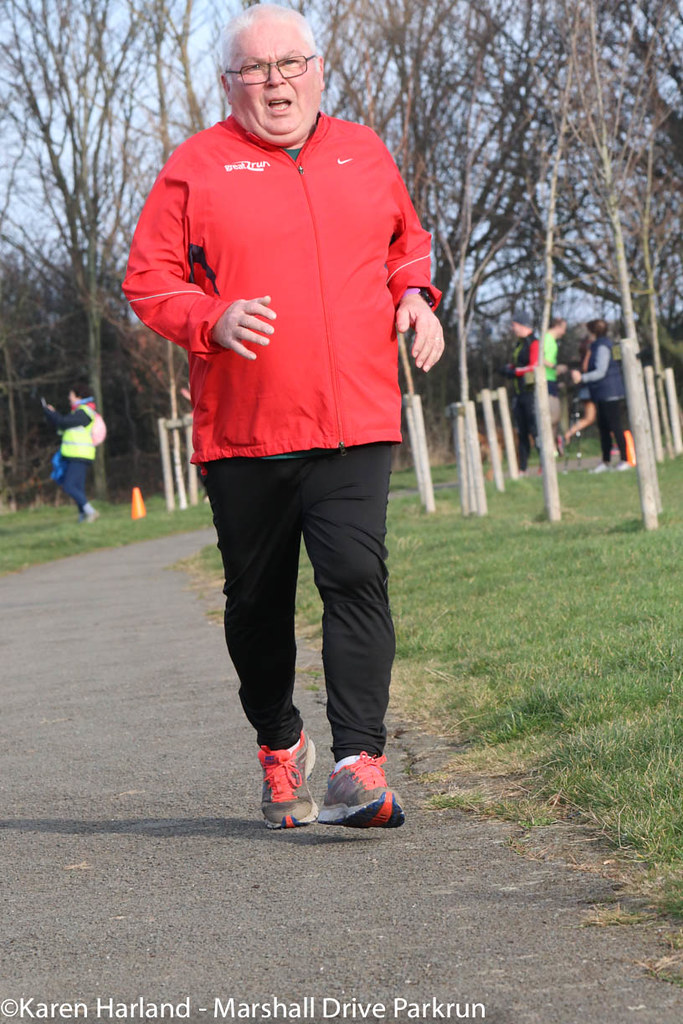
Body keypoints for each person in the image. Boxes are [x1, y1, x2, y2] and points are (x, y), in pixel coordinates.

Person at [122, 3, 444, 831]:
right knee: (256, 604)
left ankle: (356, 765)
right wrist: (211, 319)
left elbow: (406, 243)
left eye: (289, 64)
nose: (275, 83)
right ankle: (279, 742)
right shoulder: (194, 167)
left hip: (355, 422)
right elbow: (149, 282)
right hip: (246, 435)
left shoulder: (365, 153)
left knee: (354, 577)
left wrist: (416, 298)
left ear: (318, 68)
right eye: (255, 70)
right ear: (229, 83)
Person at [571, 319, 630, 472]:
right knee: (603, 428)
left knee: (615, 426)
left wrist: (582, 378)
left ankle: (625, 459)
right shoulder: (597, 345)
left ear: (593, 332)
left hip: (609, 392)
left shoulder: (602, 346)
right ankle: (606, 461)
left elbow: (601, 371)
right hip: (601, 393)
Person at [43, 384, 100, 523]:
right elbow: (62, 424)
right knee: (78, 487)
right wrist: (52, 415)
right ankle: (83, 517)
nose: (69, 398)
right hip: (76, 455)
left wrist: (51, 413)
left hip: (80, 455)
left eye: (71, 395)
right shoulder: (79, 412)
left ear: (79, 396)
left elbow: (62, 422)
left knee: (69, 486)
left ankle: (90, 511)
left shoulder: (84, 412)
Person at [505, 309, 540, 475]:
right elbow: (517, 364)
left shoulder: (534, 342)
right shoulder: (519, 343)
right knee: (522, 431)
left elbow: (533, 366)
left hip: (531, 393)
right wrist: (509, 369)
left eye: (514, 325)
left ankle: (544, 464)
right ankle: (523, 468)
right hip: (518, 392)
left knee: (535, 430)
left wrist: (516, 371)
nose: (513, 328)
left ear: (521, 325)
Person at [564, 333, 597, 446]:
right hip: (588, 389)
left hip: (587, 388)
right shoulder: (589, 351)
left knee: (591, 418)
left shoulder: (586, 351)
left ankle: (568, 433)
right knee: (589, 418)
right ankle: (568, 434)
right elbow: (585, 367)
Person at [543, 317, 567, 453]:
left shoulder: (552, 341)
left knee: (555, 416)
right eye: (563, 328)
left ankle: (553, 445)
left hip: (551, 380)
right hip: (545, 381)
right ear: (557, 326)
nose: (564, 332)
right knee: (552, 416)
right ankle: (550, 447)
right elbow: (540, 358)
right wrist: (556, 367)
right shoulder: (546, 339)